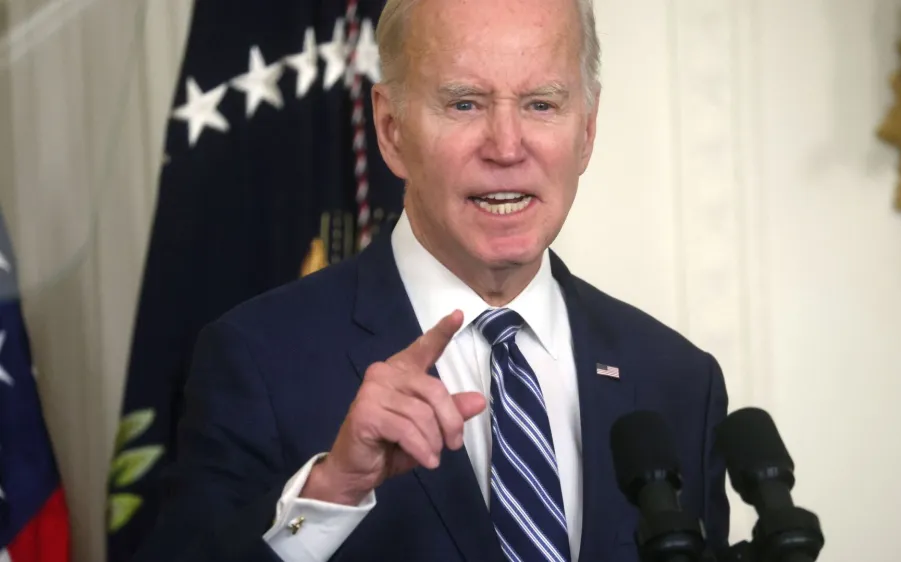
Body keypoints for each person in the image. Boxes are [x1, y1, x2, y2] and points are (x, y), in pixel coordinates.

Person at [133, 0, 730, 560]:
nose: (506, 147)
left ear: (588, 131)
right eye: (465, 103)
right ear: (391, 129)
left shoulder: (678, 381)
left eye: (541, 104)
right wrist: (331, 492)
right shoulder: (256, 359)